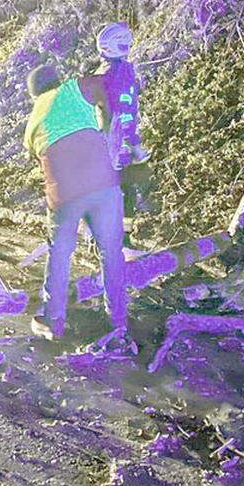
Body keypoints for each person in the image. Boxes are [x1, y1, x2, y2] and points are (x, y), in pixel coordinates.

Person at [23, 64, 134, 354]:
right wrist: (108, 123)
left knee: (59, 253)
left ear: (33, 96)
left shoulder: (32, 123)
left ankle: (54, 319)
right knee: (111, 252)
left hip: (64, 194)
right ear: (56, 81)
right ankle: (119, 320)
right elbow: (105, 85)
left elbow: (39, 158)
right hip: (103, 185)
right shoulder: (71, 89)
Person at [95, 22, 149, 170]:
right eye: (123, 44)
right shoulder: (114, 71)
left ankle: (127, 149)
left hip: (118, 126)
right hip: (116, 127)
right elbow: (117, 107)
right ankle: (125, 151)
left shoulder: (113, 69)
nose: (127, 47)